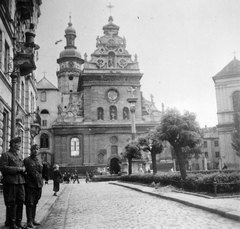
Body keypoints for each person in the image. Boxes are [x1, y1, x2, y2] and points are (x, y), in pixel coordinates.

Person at [0, 137, 25, 229]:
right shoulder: (5, 155)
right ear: (13, 144)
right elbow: (3, 168)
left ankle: (18, 222)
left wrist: (24, 169)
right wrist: (18, 169)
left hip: (20, 182)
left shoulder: (20, 156)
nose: (19, 145)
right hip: (10, 183)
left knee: (20, 202)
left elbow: (22, 166)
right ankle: (11, 223)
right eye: (18, 143)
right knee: (11, 203)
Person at [23, 144, 43, 228]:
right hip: (30, 185)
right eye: (34, 149)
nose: (36, 151)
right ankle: (29, 221)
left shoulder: (39, 160)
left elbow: (41, 172)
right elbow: (23, 172)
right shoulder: (26, 160)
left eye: (37, 149)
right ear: (31, 150)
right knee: (29, 203)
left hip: (38, 185)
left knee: (35, 202)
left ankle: (33, 219)